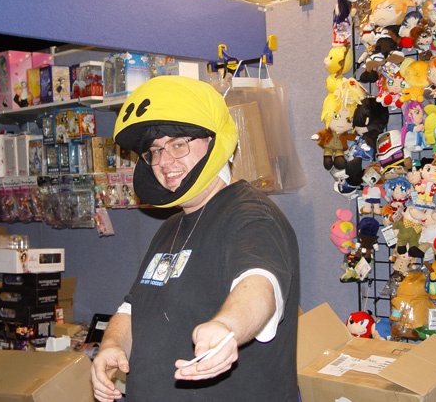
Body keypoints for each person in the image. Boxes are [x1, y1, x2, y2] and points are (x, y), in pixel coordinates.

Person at [90, 75, 300, 401]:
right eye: (155, 150)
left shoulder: (252, 216)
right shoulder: (170, 227)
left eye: (178, 144)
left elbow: (260, 285)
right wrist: (112, 346)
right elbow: (133, 308)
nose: (163, 162)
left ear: (215, 141)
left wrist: (227, 327)